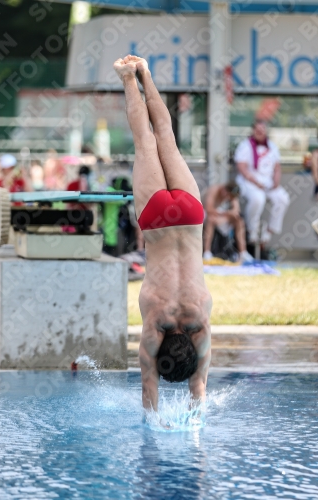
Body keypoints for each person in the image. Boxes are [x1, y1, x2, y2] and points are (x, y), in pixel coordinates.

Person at [114, 55, 212, 413]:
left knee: (165, 137)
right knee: (145, 141)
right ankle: (128, 77)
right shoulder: (154, 319)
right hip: (156, 216)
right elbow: (148, 386)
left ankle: (146, 74)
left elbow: (199, 383)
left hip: (188, 214)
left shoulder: (200, 317)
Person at [234, 119, 290, 244]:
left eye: (262, 129)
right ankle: (252, 231)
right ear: (253, 130)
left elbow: (277, 167)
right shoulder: (245, 145)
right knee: (258, 200)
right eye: (257, 129)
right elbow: (241, 167)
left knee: (283, 199)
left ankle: (269, 232)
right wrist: (255, 182)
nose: (260, 132)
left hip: (267, 182)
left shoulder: (272, 146)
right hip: (248, 182)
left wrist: (276, 181)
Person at [203, 181, 253, 263]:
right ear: (224, 190)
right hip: (204, 214)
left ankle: (243, 252)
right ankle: (207, 252)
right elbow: (208, 209)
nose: (228, 198)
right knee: (211, 219)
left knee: (239, 221)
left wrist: (225, 217)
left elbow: (236, 210)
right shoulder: (214, 190)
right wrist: (226, 214)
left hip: (219, 214)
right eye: (228, 195)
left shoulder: (231, 194)